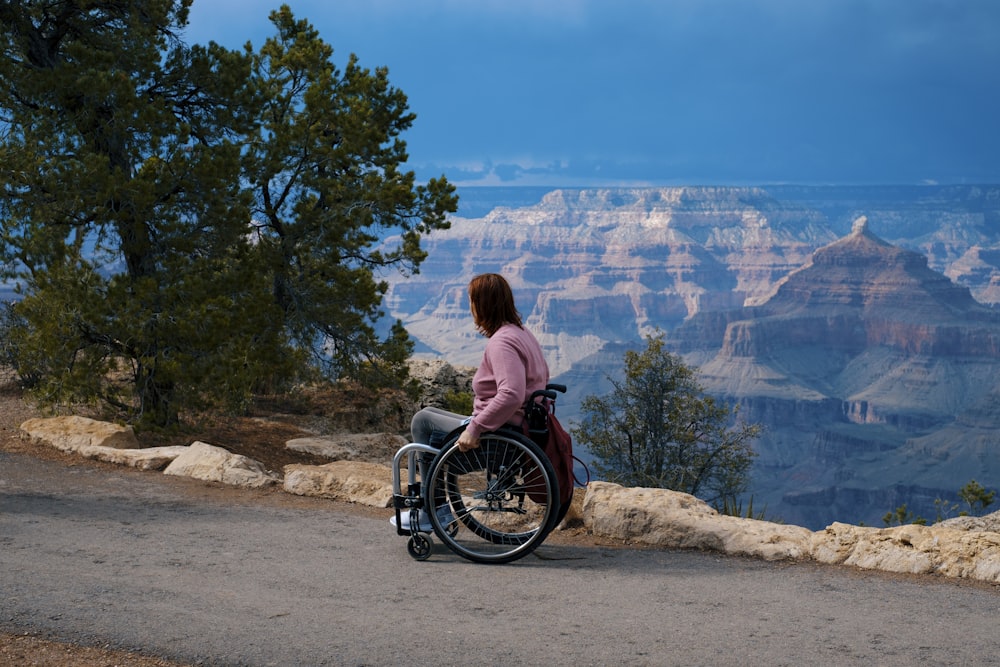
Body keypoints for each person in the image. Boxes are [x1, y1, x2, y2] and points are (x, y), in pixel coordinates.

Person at [394, 273, 550, 531]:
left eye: (471, 301)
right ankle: (436, 507)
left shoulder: (502, 342)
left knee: (422, 421)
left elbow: (511, 393)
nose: (470, 308)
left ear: (483, 304)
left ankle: (432, 509)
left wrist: (475, 428)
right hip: (516, 426)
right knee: (429, 414)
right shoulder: (522, 333)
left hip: (499, 434)